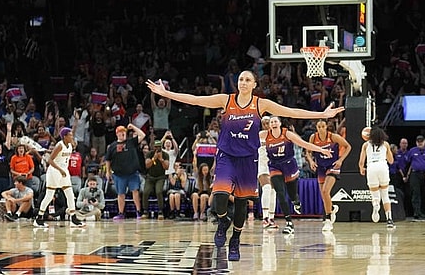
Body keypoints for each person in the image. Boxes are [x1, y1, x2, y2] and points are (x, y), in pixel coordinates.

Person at [146, 73, 341, 262]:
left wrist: (322, 114)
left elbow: (291, 111)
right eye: (241, 79)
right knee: (219, 200)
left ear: (254, 84)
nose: (243, 82)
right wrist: (167, 94)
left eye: (248, 80)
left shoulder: (260, 104)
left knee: (241, 202)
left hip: (248, 159)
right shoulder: (226, 100)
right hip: (226, 156)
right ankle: (223, 222)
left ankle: (235, 240)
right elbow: (197, 100)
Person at [263, 116, 333, 235]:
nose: (273, 123)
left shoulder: (287, 134)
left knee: (292, 194)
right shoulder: (264, 135)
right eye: (271, 122)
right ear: (269, 125)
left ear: (280, 123)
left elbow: (304, 144)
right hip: (274, 166)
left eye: (275, 121)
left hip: (289, 165)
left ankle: (296, 202)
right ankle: (289, 223)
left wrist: (321, 150)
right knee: (280, 193)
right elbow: (247, 139)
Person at [34, 128, 85, 228]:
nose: (72, 136)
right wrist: (60, 170)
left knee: (70, 194)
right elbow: (50, 160)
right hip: (54, 171)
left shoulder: (70, 145)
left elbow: (71, 146)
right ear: (64, 136)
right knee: (49, 196)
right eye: (70, 135)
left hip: (64, 170)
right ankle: (39, 218)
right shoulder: (59, 145)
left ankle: (73, 218)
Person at [307, 119, 351, 232]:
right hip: (320, 167)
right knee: (324, 195)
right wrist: (311, 161)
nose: (321, 128)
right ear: (316, 128)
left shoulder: (333, 137)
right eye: (319, 126)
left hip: (332, 166)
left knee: (326, 191)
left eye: (322, 126)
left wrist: (341, 160)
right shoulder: (313, 138)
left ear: (326, 127)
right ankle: (331, 208)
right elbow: (307, 151)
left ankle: (327, 219)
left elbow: (348, 146)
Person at [104, 124, 146, 220]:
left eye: (124, 132)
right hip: (119, 174)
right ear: (117, 134)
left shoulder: (131, 142)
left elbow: (142, 135)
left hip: (132, 173)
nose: (122, 134)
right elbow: (108, 159)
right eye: (120, 132)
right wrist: (108, 171)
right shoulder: (112, 146)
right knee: (120, 194)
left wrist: (134, 127)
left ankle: (139, 212)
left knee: (135, 191)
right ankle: (121, 213)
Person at [358, 126, 395, 229]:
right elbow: (391, 161)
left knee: (375, 195)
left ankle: (375, 206)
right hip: (382, 166)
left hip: (371, 167)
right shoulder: (386, 144)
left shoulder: (366, 145)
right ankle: (389, 220)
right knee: (385, 194)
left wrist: (361, 168)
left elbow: (361, 161)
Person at [257, 116, 277, 229]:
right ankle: (265, 218)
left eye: (267, 123)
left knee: (273, 192)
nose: (265, 125)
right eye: (263, 123)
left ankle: (271, 218)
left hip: (273, 166)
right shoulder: (258, 135)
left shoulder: (276, 136)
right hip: (261, 165)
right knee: (267, 188)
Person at [140, 140, 169, 219]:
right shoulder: (150, 154)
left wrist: (161, 160)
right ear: (153, 147)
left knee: (159, 192)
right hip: (150, 177)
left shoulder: (165, 155)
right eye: (156, 147)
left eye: (159, 147)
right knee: (145, 192)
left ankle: (160, 211)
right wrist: (153, 159)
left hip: (160, 177)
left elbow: (166, 167)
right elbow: (147, 165)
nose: (157, 148)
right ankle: (145, 211)